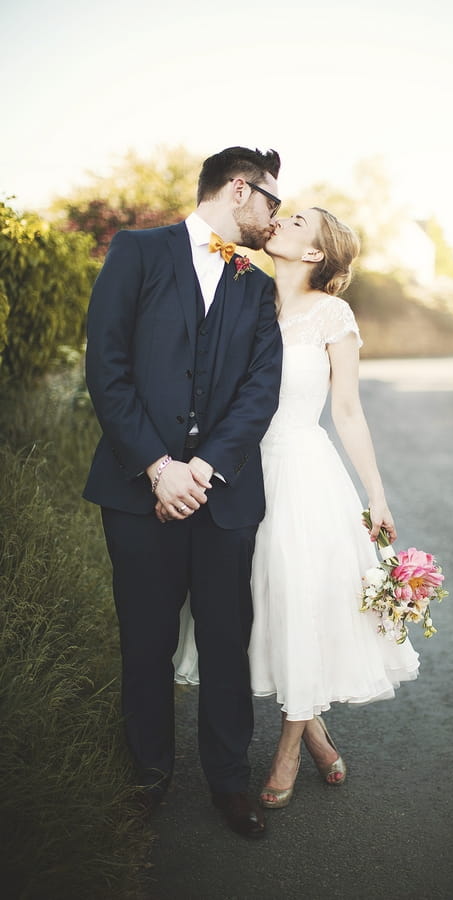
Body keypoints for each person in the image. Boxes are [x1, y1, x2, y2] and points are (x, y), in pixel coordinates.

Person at [173, 206, 419, 810]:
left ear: (315, 254)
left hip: (303, 473)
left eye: (299, 221)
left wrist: (377, 495)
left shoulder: (332, 315)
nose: (281, 220)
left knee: (300, 601)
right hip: (237, 472)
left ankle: (286, 753)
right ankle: (314, 732)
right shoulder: (243, 298)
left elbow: (348, 412)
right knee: (256, 608)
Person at [84, 146, 283, 839]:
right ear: (238, 189)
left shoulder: (257, 286)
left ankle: (229, 784)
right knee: (146, 639)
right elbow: (105, 367)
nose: (274, 217)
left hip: (221, 496)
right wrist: (157, 468)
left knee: (228, 640)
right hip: (138, 494)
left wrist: (200, 471)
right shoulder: (137, 253)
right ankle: (147, 776)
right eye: (271, 202)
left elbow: (261, 391)